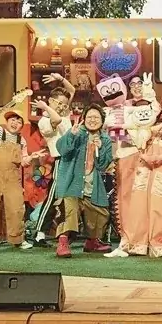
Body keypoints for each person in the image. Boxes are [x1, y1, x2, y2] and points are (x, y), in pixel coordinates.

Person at [106, 103, 162, 258]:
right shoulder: (152, 128)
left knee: (160, 210)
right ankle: (137, 244)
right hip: (145, 172)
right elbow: (135, 139)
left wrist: (149, 158)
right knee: (139, 207)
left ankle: (159, 245)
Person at [0, 95, 40, 253]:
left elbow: (23, 161)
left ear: (21, 125)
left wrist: (31, 157)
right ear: (7, 121)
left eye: (19, 121)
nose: (15, 123)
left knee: (16, 208)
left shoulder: (21, 140)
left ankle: (18, 239)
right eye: (12, 119)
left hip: (13, 178)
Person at [53, 104, 114, 258]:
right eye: (89, 117)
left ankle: (92, 242)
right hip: (71, 183)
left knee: (100, 212)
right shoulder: (76, 132)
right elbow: (62, 150)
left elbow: (103, 165)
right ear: (84, 118)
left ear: (102, 121)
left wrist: (101, 149)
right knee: (70, 211)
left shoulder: (105, 139)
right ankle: (63, 242)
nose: (93, 120)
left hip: (92, 185)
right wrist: (71, 135)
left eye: (96, 117)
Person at [32, 74, 75, 247]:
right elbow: (55, 119)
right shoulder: (44, 121)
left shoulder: (65, 113)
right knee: (52, 198)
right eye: (59, 103)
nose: (63, 106)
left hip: (72, 160)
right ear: (50, 101)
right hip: (61, 161)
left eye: (65, 104)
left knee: (70, 198)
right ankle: (39, 233)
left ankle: (68, 232)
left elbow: (72, 90)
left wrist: (60, 78)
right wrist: (45, 107)